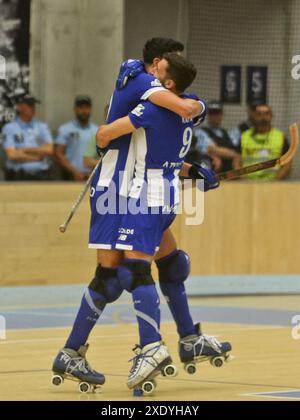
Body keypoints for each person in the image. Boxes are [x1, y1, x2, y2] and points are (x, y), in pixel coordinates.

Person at [51, 37, 208, 389]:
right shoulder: (140, 78)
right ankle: (78, 351)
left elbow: (161, 138)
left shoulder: (162, 91)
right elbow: (181, 109)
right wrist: (195, 104)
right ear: (155, 63)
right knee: (113, 276)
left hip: (138, 187)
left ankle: (186, 338)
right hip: (115, 187)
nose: (174, 65)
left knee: (168, 263)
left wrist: (188, 167)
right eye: (170, 60)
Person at [96, 53, 231, 390]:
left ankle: (152, 347)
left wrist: (107, 129)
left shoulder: (153, 107)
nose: (151, 72)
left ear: (168, 82)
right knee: (171, 264)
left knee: (134, 270)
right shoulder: (191, 103)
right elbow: (173, 146)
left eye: (158, 69)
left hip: (146, 195)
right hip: (168, 193)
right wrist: (195, 169)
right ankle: (189, 339)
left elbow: (106, 135)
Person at [2, 94, 53, 181]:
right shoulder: (10, 128)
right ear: (19, 107)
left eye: (33, 105)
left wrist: (23, 150)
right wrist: (36, 158)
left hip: (42, 174)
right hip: (19, 175)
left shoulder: (42, 127)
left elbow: (49, 149)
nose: (33, 108)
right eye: (29, 105)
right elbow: (12, 155)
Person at [240, 103, 291, 180]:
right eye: (259, 114)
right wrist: (245, 181)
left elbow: (287, 163)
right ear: (253, 116)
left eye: (266, 113)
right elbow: (236, 161)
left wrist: (274, 182)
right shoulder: (244, 136)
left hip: (273, 185)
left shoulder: (281, 137)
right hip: (248, 185)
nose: (262, 117)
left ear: (271, 116)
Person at [55, 96, 98, 181]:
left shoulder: (97, 130)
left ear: (91, 109)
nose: (84, 111)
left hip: (92, 177)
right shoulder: (65, 129)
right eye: (81, 108)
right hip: (70, 176)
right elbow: (58, 154)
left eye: (87, 107)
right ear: (75, 109)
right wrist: (75, 172)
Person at [194, 101, 241, 173]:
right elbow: (212, 149)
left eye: (217, 113)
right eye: (212, 113)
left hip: (228, 174)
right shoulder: (201, 132)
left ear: (222, 115)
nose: (215, 116)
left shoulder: (225, 133)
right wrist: (234, 155)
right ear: (208, 115)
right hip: (209, 171)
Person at [83, 105, 109, 171]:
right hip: (103, 176)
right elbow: (86, 161)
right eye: (107, 115)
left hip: (125, 174)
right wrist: (109, 164)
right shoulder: (98, 135)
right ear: (105, 117)